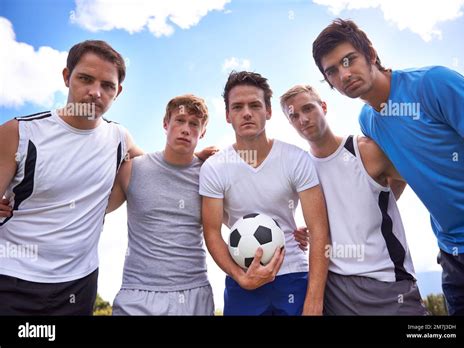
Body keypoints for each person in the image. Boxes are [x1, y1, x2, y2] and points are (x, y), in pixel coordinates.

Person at [312, 19, 464, 315]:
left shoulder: (433, 83)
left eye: (349, 60)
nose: (344, 74)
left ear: (371, 54)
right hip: (453, 253)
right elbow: (394, 177)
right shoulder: (368, 122)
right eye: (332, 71)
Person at [0, 40, 142, 315]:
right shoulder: (19, 133)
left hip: (78, 286)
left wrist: (203, 159)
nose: (95, 93)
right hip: (11, 278)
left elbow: (162, 167)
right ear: (67, 77)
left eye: (107, 85)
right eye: (85, 79)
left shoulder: (119, 139)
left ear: (118, 91)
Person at [280, 84, 427, 315]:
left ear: (324, 107)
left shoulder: (364, 150)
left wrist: (381, 201)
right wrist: (309, 229)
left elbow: (409, 174)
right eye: (294, 115)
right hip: (336, 287)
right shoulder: (302, 168)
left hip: (387, 280)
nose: (303, 119)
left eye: (308, 108)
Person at [199, 71, 329, 316]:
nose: (246, 113)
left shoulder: (296, 159)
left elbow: (320, 230)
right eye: (237, 107)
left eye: (255, 105)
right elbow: (212, 232)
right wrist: (240, 276)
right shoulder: (215, 168)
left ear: (268, 111)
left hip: (294, 276)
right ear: (227, 115)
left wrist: (314, 299)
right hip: (243, 280)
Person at [106, 94, 216, 315]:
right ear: (166, 124)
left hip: (193, 295)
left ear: (202, 132)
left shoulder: (210, 174)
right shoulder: (132, 169)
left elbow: (239, 218)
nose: (186, 129)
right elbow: (94, 210)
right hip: (137, 295)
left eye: (194, 124)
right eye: (180, 120)